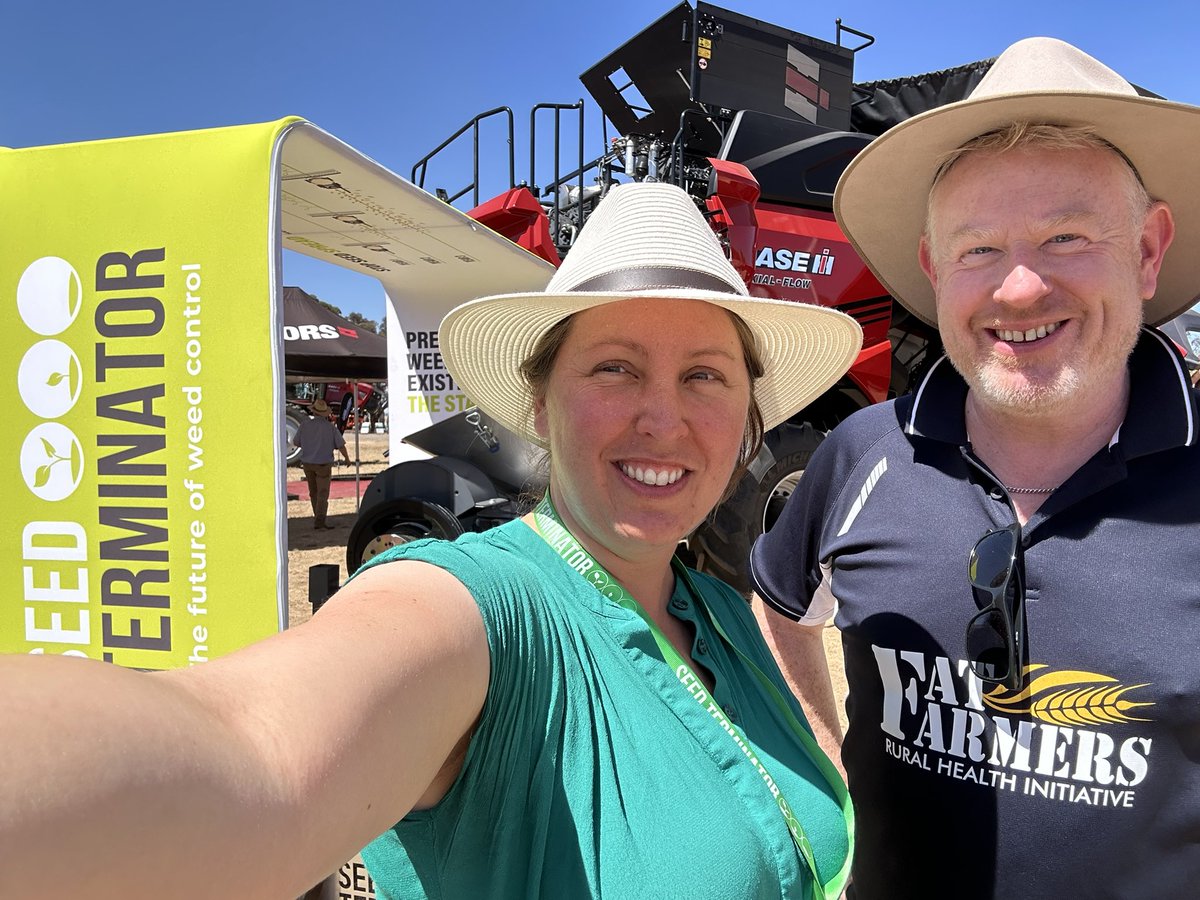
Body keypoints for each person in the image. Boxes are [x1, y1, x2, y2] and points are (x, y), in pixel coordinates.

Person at [0, 183, 864, 899]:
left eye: (705, 375)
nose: (664, 417)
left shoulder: (720, 611)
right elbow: (247, 748)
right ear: (539, 403)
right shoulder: (480, 609)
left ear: (746, 416)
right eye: (615, 367)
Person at [750, 37, 1200, 899]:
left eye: (1066, 235)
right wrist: (823, 754)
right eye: (977, 250)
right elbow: (775, 610)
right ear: (932, 269)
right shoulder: (861, 454)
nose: (1020, 290)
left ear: (1148, 249)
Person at [295, 396, 351, 529]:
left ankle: (317, 517)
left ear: (314, 412)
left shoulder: (305, 425)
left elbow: (296, 442)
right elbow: (341, 445)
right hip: (323, 464)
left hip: (307, 463)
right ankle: (320, 520)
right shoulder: (329, 427)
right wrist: (347, 458)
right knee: (322, 493)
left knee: (313, 492)